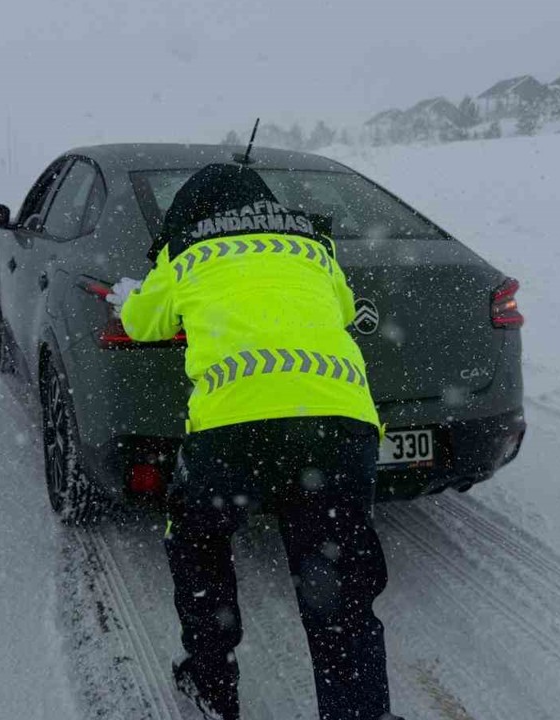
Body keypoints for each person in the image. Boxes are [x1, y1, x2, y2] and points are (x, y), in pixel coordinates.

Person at [111, 162, 402, 720]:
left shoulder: (185, 250)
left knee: (198, 546)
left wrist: (138, 295)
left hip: (232, 434)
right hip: (339, 425)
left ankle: (212, 686)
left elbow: (143, 324)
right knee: (336, 583)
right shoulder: (313, 245)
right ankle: (360, 712)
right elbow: (341, 311)